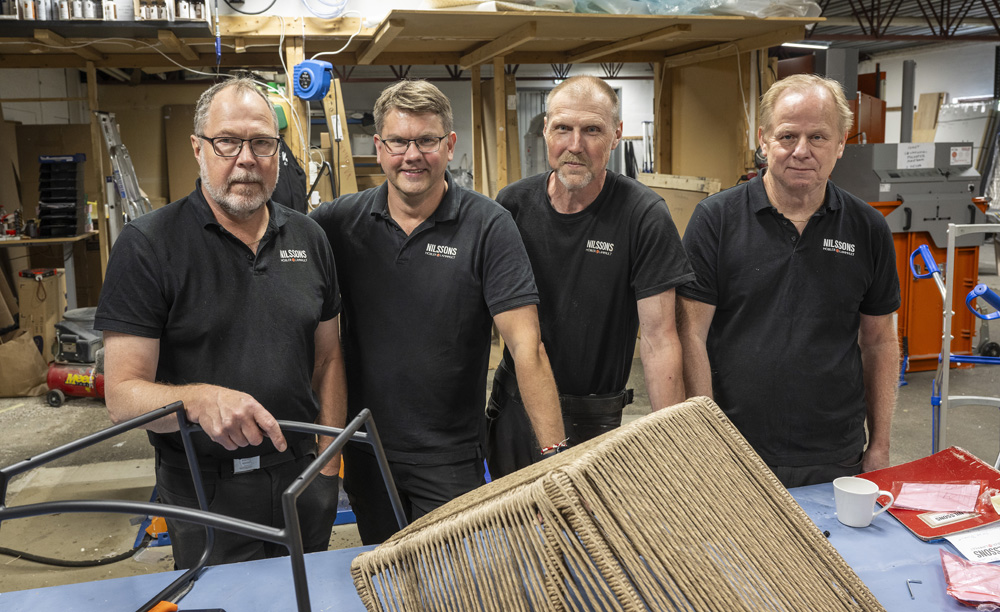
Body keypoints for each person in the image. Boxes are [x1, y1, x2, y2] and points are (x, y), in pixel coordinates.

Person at [94, 77, 346, 568]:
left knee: (305, 596)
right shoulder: (149, 245)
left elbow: (329, 358)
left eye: (262, 143)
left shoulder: (309, 238)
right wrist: (199, 400)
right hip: (204, 487)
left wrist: (329, 462)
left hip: (302, 475)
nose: (246, 159)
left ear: (279, 151)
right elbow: (122, 396)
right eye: (227, 141)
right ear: (198, 148)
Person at [309, 79, 565, 545]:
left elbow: (527, 347)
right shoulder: (336, 224)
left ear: (449, 145)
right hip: (367, 452)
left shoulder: (488, 226)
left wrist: (554, 456)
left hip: (451, 458)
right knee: (383, 571)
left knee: (453, 575)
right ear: (379, 147)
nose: (412, 155)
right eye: (399, 142)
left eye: (427, 140)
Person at [676, 73, 900, 488]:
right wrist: (707, 438)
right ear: (763, 140)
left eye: (818, 137)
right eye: (787, 136)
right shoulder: (716, 220)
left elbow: (879, 341)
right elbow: (691, 335)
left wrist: (880, 445)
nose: (801, 151)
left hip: (836, 453)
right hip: (736, 449)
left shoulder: (868, 228)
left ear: (841, 143)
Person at [484, 75, 694, 479]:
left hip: (593, 416)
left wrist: (674, 444)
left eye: (592, 130)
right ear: (546, 130)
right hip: (515, 406)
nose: (575, 145)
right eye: (563, 128)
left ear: (616, 135)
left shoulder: (643, 215)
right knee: (511, 517)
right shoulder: (512, 206)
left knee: (583, 520)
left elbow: (659, 339)